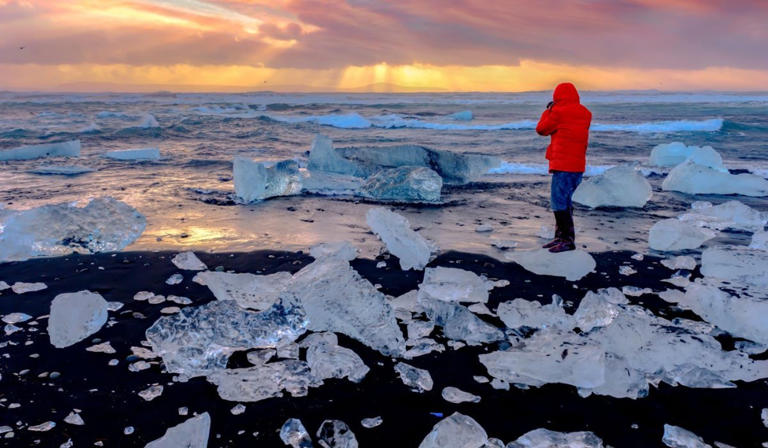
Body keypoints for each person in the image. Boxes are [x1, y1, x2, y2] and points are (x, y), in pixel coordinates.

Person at [536, 82, 592, 253]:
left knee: (558, 202)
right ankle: (561, 237)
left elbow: (541, 129)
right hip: (577, 165)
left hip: (563, 164)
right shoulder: (585, 113)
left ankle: (566, 240)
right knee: (567, 201)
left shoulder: (558, 112)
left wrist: (549, 110)